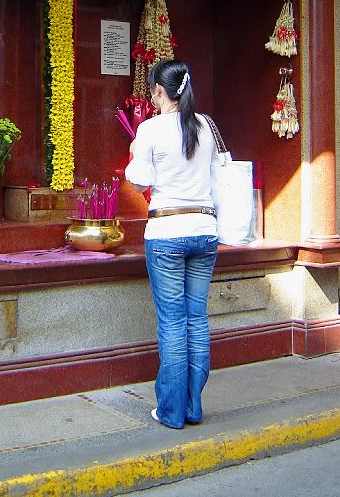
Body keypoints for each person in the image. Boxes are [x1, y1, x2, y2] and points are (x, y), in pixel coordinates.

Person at [125, 59, 219, 429]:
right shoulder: (206, 127)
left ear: (159, 92)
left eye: (152, 90)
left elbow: (139, 180)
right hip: (205, 231)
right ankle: (193, 407)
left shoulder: (150, 129)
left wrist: (135, 151)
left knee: (173, 323)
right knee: (197, 319)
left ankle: (171, 411)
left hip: (166, 234)